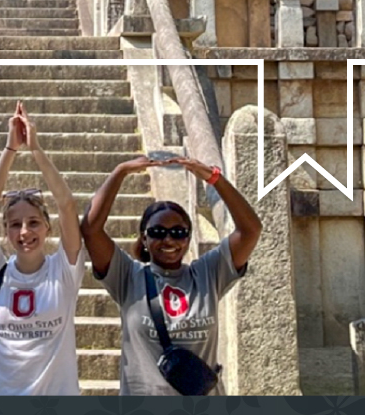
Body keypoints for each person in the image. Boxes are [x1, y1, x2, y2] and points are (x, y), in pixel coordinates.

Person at [80, 154, 262, 395]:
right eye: (157, 232)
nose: (168, 240)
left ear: (188, 238)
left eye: (178, 232)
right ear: (144, 238)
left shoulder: (208, 273)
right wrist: (120, 172)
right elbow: (91, 229)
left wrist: (213, 177)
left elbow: (251, 230)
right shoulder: (127, 276)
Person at [0, 102, 85, 395]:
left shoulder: (63, 271)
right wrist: (10, 150)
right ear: (5, 231)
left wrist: (35, 149)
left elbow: (67, 205)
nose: (25, 232)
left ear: (48, 227)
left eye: (34, 222)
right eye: (15, 225)